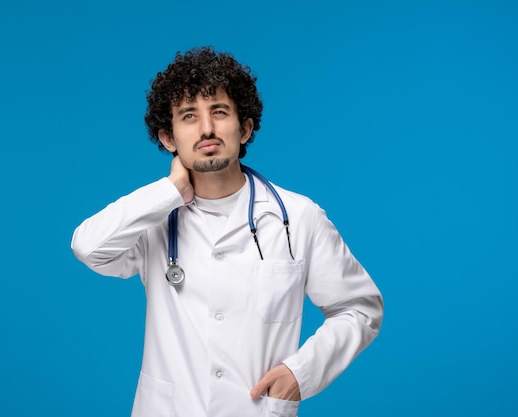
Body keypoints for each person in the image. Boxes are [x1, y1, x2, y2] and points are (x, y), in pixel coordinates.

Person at [71, 46, 383, 417]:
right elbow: (89, 247)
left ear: (245, 128)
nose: (206, 128)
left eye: (219, 112)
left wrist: (300, 374)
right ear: (169, 139)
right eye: (188, 116)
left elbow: (359, 309)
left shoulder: (299, 218)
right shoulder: (153, 221)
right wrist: (169, 191)